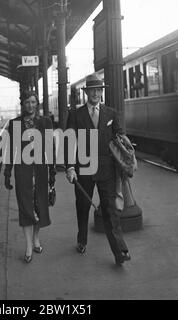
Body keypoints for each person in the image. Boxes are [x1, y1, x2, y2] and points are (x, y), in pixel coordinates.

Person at [65, 74, 131, 266]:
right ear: (87, 93)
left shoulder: (111, 113)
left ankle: (120, 251)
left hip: (106, 170)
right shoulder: (75, 115)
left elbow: (120, 138)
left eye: (98, 90)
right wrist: (70, 167)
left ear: (102, 92)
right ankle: (82, 239)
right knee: (83, 207)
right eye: (92, 90)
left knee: (111, 211)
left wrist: (126, 158)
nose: (96, 93)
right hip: (83, 169)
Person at [4, 90, 56, 263]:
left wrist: (53, 173)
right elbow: (11, 150)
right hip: (23, 171)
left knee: (40, 206)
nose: (30, 105)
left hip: (40, 170)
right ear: (23, 104)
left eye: (33, 102)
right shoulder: (15, 123)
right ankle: (28, 246)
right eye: (27, 102)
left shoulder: (46, 122)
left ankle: (36, 239)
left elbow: (50, 148)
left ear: (37, 103)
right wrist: (7, 172)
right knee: (26, 208)